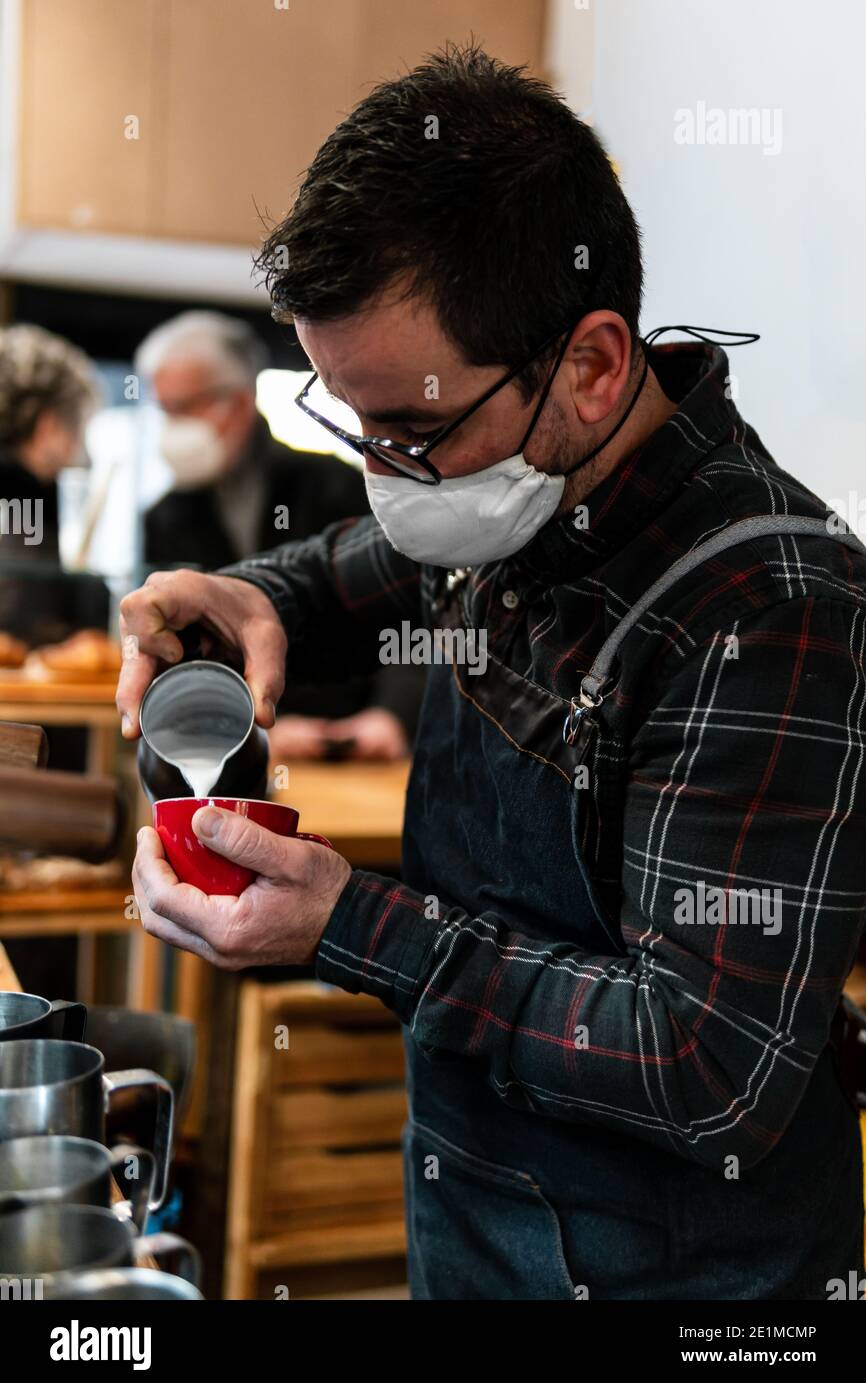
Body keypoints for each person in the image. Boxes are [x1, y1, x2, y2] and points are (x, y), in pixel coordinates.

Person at [118, 47, 865, 1300]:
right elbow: (354, 561)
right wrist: (255, 591)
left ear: (589, 365)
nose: (385, 478)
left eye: (410, 431)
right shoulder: (507, 486)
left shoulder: (769, 612)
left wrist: (348, 922)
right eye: (354, 429)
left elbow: (706, 1062)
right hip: (468, 1216)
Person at [137, 310, 420, 759]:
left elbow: (410, 605)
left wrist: (393, 715)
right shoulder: (163, 516)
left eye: (184, 407)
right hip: (244, 746)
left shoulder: (335, 483)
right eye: (164, 409)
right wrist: (255, 729)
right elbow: (179, 649)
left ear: (239, 401)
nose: (172, 426)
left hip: (359, 741)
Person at [0, 324, 99, 562]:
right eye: (78, 429)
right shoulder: (25, 508)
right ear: (49, 426)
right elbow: (27, 596)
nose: (78, 448)